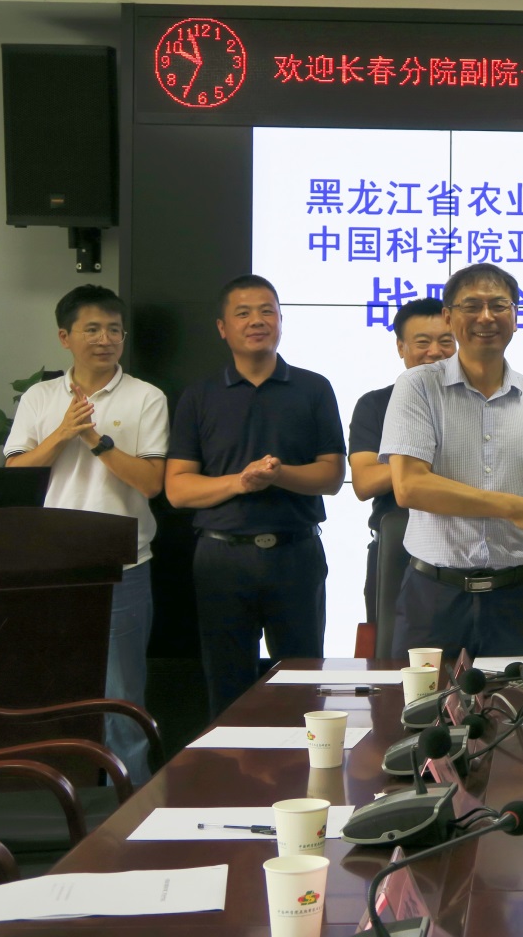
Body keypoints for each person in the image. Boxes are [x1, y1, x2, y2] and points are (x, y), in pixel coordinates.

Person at [3, 285, 168, 785]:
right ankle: (62, 795)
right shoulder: (41, 397)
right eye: (92, 329)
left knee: (123, 695)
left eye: (114, 329)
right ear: (65, 337)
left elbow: (151, 482)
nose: (105, 339)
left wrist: (95, 439)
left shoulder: (146, 396)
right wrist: (62, 433)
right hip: (53, 566)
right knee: (56, 689)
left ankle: (130, 803)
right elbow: (15, 474)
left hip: (123, 565)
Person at [165, 275, 345, 717]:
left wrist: (279, 475)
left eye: (267, 311)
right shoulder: (199, 396)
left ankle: (305, 762)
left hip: (295, 554)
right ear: (222, 327)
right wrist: (240, 482)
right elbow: (178, 489)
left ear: (281, 320)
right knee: (227, 688)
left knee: (303, 685)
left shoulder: (313, 388)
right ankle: (231, 763)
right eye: (243, 313)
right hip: (222, 559)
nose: (257, 321)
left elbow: (332, 475)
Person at [379, 263, 523, 658]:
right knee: (425, 700)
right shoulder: (418, 387)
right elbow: (410, 487)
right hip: (433, 598)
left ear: (516, 317)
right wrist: (512, 507)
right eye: (472, 306)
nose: (486, 317)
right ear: (449, 317)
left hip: (520, 599)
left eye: (499, 305)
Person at [348, 297, 456, 622]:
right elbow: (364, 482)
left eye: (446, 341)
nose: (434, 351)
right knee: (392, 650)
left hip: (465, 549)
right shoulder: (375, 404)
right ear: (401, 347)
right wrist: (419, 455)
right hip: (395, 549)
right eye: (422, 342)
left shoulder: (482, 401)